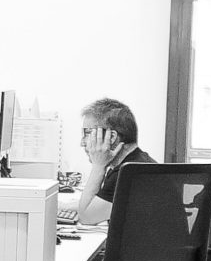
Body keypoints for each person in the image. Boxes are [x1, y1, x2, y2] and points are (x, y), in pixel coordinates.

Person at [63, 96, 150, 227]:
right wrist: (61, 205)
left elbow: (86, 217)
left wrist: (98, 166)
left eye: (87, 133)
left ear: (112, 137)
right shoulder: (138, 162)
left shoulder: (126, 174)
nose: (82, 143)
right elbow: (98, 203)